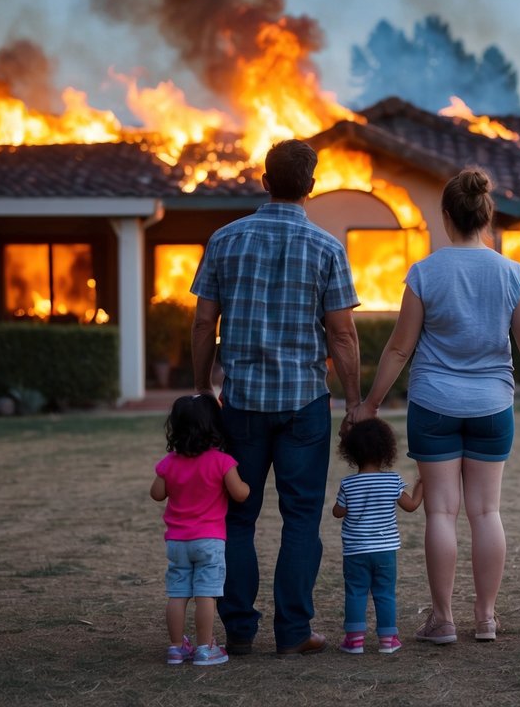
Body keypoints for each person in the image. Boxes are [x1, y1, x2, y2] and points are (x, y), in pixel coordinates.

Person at [348, 167, 520, 644]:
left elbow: (399, 349)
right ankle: (486, 618)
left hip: (434, 405)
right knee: (486, 513)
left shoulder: (425, 272)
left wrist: (370, 403)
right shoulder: (511, 273)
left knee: (441, 514)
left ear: (446, 215)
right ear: (486, 216)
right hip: (493, 406)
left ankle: (444, 620)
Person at [191, 138, 362, 657]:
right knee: (302, 518)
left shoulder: (224, 240)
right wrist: (354, 401)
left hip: (240, 405)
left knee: (237, 518)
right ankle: (293, 631)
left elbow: (203, 322)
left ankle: (239, 630)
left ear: (264, 182)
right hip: (305, 403)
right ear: (311, 187)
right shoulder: (328, 247)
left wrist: (203, 388)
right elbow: (342, 335)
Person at [150, 394, 251, 666]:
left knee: (178, 593)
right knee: (206, 593)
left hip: (177, 542)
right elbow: (240, 494)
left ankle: (175, 647)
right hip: (209, 541)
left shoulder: (170, 462)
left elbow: (157, 493)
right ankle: (205, 648)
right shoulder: (221, 461)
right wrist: (248, 486)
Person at [332, 418, 424, 655]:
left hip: (355, 551)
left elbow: (337, 512)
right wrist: (421, 484)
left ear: (351, 452)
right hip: (385, 551)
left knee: (355, 592)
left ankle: (354, 640)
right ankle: (387, 639)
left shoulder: (348, 484)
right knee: (384, 593)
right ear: (387, 451)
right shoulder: (392, 480)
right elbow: (412, 505)